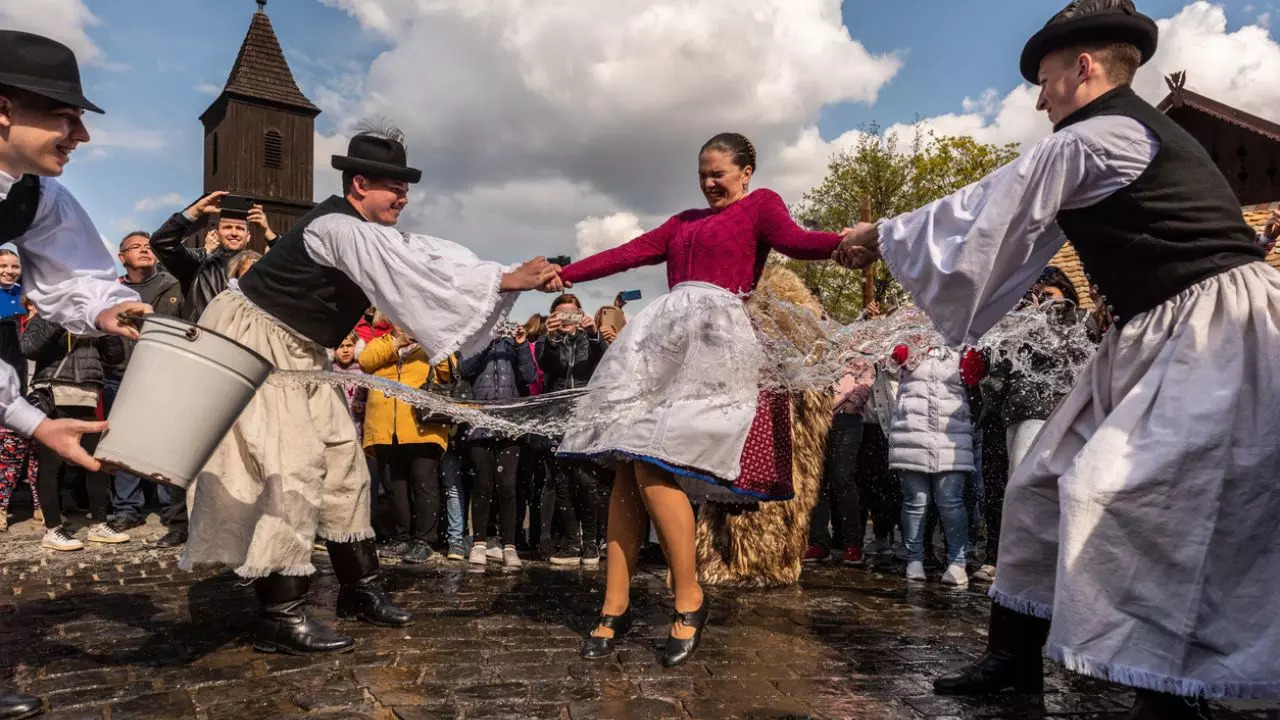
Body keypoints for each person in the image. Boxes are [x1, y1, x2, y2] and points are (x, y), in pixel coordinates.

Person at [833, 2, 1280, 715]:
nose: (1039, 99)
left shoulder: (1098, 137)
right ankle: (1014, 656)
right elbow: (1017, 235)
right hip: (1155, 330)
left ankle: (1167, 688)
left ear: (1085, 67)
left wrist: (880, 232)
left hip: (1212, 332)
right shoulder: (1114, 137)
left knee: (1146, 501)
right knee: (1041, 483)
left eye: (1044, 82)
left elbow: (990, 206)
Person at [180, 123, 562, 656]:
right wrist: (505, 281)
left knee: (344, 466)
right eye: (393, 187)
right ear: (359, 184)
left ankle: (361, 589)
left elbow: (430, 257)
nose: (403, 197)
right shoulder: (336, 228)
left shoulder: (371, 232)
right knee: (287, 471)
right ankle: (279, 611)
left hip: (303, 354)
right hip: (258, 347)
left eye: (406, 188)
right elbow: (406, 274)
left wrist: (507, 271)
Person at [557, 133, 844, 667]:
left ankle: (688, 596)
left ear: (746, 171)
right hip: (660, 343)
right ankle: (614, 604)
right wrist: (564, 274)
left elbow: (797, 240)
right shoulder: (682, 223)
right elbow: (627, 253)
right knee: (626, 467)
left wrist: (842, 243)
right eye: (703, 175)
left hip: (715, 344)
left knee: (651, 466)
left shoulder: (761, 205)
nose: (710, 183)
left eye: (719, 174)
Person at [22, 311, 128, 551]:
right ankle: (52, 529)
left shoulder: (93, 315)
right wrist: (60, 320)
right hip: (54, 395)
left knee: (96, 461)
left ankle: (99, 524)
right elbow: (29, 348)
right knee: (52, 465)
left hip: (87, 396)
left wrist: (103, 328)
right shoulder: (49, 311)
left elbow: (115, 356)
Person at [105, 232, 184, 534]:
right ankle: (127, 508)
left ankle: (170, 508)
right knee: (124, 442)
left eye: (148, 246)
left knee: (163, 443)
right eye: (135, 247)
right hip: (120, 373)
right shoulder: (113, 291)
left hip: (163, 373)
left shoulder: (172, 285)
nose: (144, 250)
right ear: (121, 257)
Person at [359, 324, 453, 564]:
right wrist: (397, 342)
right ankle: (402, 537)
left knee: (424, 486)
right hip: (385, 430)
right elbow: (366, 362)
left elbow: (449, 372)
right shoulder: (381, 343)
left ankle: (425, 540)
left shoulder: (431, 341)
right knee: (394, 487)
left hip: (421, 428)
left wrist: (431, 340)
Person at [536, 294, 607, 566]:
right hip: (556, 419)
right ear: (553, 317)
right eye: (561, 314)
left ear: (580, 314)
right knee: (561, 481)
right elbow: (546, 364)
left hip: (586, 418)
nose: (567, 319)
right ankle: (571, 542)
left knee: (587, 481)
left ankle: (590, 543)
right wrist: (552, 337)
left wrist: (593, 334)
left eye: (572, 313)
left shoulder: (589, 339)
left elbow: (604, 363)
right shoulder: (547, 340)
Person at [460, 322, 537, 567]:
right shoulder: (473, 340)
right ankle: (480, 543)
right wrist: (484, 341)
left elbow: (529, 375)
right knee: (482, 484)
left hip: (509, 425)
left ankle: (510, 545)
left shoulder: (513, 344)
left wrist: (522, 343)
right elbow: (464, 369)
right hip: (479, 423)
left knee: (508, 486)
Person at [149, 193, 275, 322]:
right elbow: (161, 243)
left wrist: (267, 232)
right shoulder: (200, 262)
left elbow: (293, 269)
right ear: (218, 234)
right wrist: (195, 211)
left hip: (245, 339)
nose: (234, 233)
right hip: (206, 337)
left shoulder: (259, 266)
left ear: (248, 236)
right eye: (227, 227)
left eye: (240, 228)